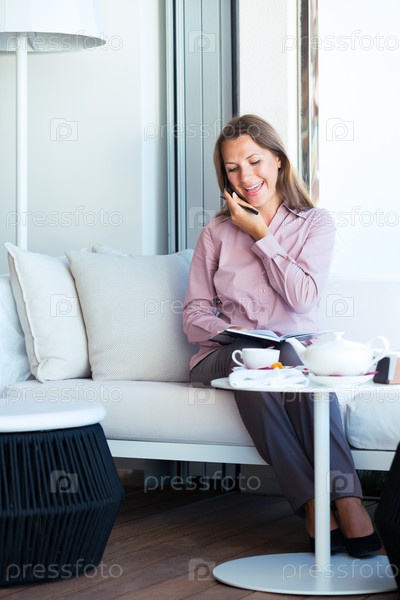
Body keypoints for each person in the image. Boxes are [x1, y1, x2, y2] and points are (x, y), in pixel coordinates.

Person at [182, 114, 381, 558]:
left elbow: (303, 298)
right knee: (255, 355)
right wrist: (234, 334)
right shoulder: (216, 232)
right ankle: (323, 504)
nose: (245, 176)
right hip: (224, 356)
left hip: (291, 354)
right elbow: (193, 315)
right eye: (233, 168)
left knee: (287, 357)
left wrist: (262, 236)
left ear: (278, 160)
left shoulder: (315, 223)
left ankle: (340, 502)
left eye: (254, 161)